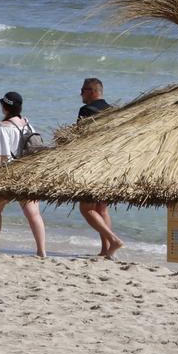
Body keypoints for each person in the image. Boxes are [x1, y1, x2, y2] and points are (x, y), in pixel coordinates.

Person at [0, 91, 47, 257]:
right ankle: (41, 251)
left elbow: (0, 158)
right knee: (33, 213)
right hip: (28, 173)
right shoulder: (27, 124)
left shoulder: (3, 128)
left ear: (5, 107)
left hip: (10, 176)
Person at [76, 77, 123, 257]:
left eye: (83, 90)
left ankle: (114, 240)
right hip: (110, 165)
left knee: (86, 208)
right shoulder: (113, 111)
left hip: (91, 164)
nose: (80, 93)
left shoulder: (85, 110)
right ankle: (106, 251)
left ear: (93, 91)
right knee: (102, 208)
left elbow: (79, 139)